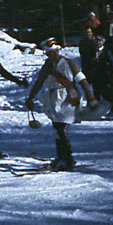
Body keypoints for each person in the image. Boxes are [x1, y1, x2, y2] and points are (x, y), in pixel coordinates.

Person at [25, 37, 100, 171]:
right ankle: (62, 157)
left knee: (61, 128)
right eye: (50, 53)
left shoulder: (69, 63)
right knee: (57, 128)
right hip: (55, 99)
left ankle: (67, 159)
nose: (53, 55)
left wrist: (90, 97)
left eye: (55, 52)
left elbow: (82, 80)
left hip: (68, 97)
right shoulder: (48, 65)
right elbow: (39, 81)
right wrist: (30, 97)